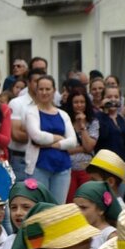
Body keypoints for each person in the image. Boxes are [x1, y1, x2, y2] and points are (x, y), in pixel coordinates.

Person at [25, 74, 77, 203]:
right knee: (39, 205)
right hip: (39, 167)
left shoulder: (63, 114)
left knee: (58, 208)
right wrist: (58, 137)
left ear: (54, 90)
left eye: (47, 89)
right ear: (36, 91)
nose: (44, 92)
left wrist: (52, 144)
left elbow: (73, 141)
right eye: (41, 89)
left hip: (62, 167)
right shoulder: (31, 112)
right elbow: (37, 136)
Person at [8, 67, 46, 181]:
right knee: (22, 192)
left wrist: (28, 130)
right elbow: (16, 135)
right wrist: (44, 136)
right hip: (21, 159)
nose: (39, 85)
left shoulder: (48, 106)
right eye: (36, 81)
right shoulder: (17, 103)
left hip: (43, 158)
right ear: (28, 83)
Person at [65, 88, 99, 202]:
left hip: (86, 169)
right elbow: (64, 149)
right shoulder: (65, 121)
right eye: (76, 102)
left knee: (86, 201)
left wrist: (82, 125)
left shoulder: (93, 122)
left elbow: (89, 147)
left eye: (82, 102)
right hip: (68, 169)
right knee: (70, 203)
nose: (79, 105)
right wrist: (82, 148)